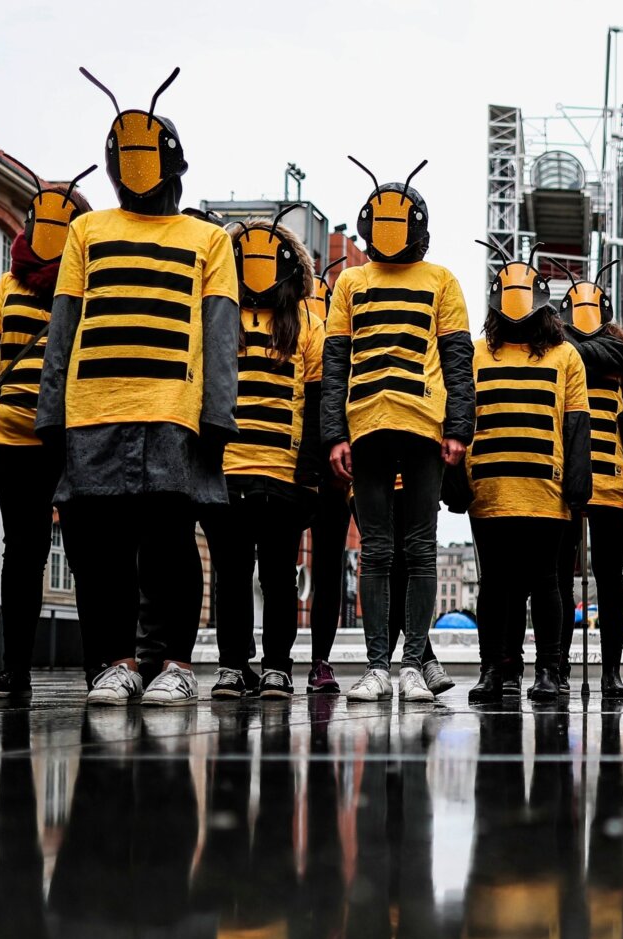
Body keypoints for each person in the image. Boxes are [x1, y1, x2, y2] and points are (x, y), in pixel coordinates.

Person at [38, 66, 240, 705]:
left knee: (171, 546)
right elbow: (64, 326)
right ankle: (115, 663)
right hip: (92, 409)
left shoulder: (208, 239)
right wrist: (51, 414)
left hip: (173, 414)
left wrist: (218, 417)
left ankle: (175, 664)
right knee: (100, 550)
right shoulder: (86, 231)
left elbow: (219, 334)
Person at [319, 158, 474, 703]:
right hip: (366, 427)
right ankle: (380, 665)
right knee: (379, 551)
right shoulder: (351, 282)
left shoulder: (441, 280)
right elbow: (334, 362)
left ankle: (410, 665)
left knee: (420, 547)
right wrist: (334, 433)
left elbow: (458, 359)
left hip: (423, 426)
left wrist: (458, 427)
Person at [0, 170, 92, 699]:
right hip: (12, 436)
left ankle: (101, 673)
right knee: (22, 553)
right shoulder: (10, 283)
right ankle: (15, 674)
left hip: (73, 439)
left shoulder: (89, 281)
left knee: (87, 551)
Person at [203, 211, 326, 699]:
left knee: (267, 576)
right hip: (233, 470)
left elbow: (316, 401)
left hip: (278, 474)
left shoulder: (304, 326)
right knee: (246, 576)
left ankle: (267, 665)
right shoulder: (223, 320)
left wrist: (309, 471)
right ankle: (242, 666)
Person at [462, 243, 589, 704]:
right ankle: (496, 669)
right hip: (490, 490)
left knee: (543, 584)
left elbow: (577, 427)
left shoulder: (565, 357)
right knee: (496, 586)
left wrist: (578, 490)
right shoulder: (476, 354)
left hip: (545, 492)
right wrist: (457, 481)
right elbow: (462, 417)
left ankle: (550, 671)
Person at [555, 261, 623, 701]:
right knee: (559, 577)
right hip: (564, 480)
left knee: (608, 580)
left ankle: (611, 671)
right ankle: (556, 665)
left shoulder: (622, 361)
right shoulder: (559, 350)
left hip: (610, 481)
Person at [303, 256, 351, 693]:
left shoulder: (333, 340)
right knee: (316, 570)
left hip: (328, 472)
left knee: (326, 570)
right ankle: (315, 661)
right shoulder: (298, 329)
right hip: (296, 467)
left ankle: (319, 660)